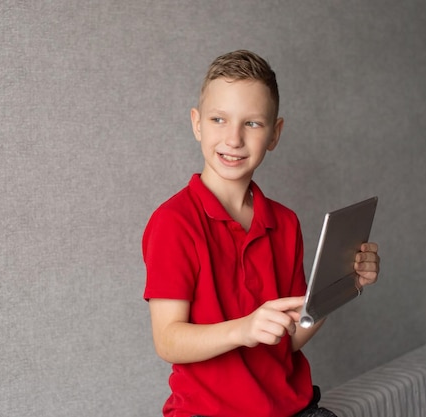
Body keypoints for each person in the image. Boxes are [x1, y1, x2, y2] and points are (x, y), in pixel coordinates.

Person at [141, 50, 380, 417]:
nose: (233, 138)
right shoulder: (174, 222)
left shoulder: (284, 222)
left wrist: (344, 285)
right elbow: (168, 340)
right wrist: (244, 329)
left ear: (274, 134)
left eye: (252, 123)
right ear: (197, 124)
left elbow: (290, 340)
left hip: (293, 409)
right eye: (219, 119)